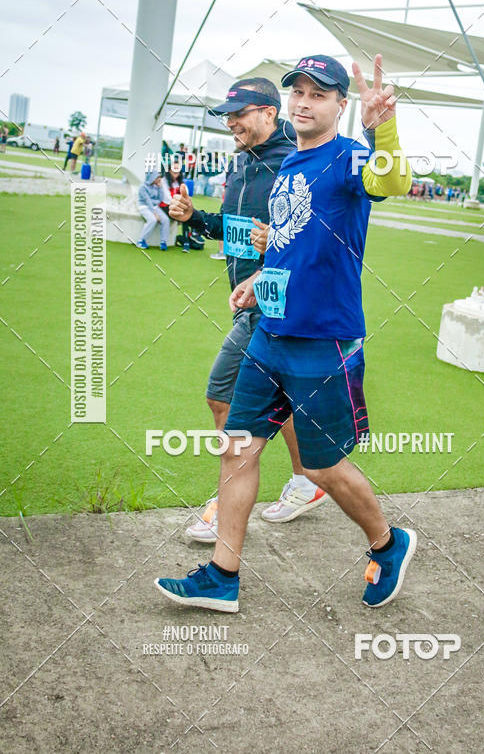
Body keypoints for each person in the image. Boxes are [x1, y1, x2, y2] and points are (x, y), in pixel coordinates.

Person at [156, 53, 415, 613]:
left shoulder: (350, 157)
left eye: (318, 93)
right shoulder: (288, 170)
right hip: (269, 333)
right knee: (237, 449)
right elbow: (287, 242)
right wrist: (258, 278)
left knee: (321, 465)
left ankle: (389, 543)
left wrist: (382, 125)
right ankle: (222, 576)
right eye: (297, 90)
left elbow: (392, 179)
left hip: (324, 340)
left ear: (340, 105)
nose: (303, 100)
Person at [168, 77, 328, 537]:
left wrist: (272, 250)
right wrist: (195, 218)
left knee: (222, 394)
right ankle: (305, 482)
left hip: (278, 301)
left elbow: (313, 234)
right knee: (285, 400)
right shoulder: (239, 165)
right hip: (248, 301)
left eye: (238, 113)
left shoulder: (293, 163)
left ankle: (226, 505)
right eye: (226, 114)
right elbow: (237, 228)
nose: (230, 122)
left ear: (269, 113)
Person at [137, 170, 169, 250]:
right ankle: (141, 240)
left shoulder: (156, 186)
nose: (159, 179)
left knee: (165, 220)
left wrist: (160, 187)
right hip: (144, 207)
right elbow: (148, 201)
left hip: (154, 207)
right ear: (152, 178)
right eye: (157, 177)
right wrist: (154, 213)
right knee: (152, 220)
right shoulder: (142, 187)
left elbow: (160, 199)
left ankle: (163, 242)